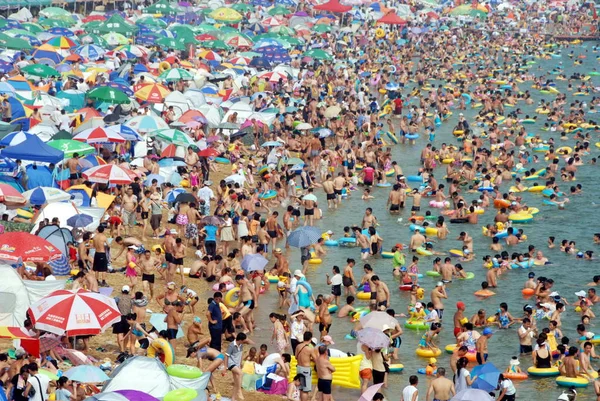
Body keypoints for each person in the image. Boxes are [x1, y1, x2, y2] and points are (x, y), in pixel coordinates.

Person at [224, 332, 253, 401]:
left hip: (236, 364)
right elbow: (226, 356)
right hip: (230, 363)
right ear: (240, 340)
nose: (245, 342)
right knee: (240, 373)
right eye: (244, 340)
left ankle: (233, 398)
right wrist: (225, 367)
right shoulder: (231, 345)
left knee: (236, 381)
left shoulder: (241, 345)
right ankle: (239, 391)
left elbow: (240, 356)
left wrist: (239, 365)